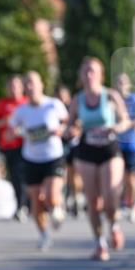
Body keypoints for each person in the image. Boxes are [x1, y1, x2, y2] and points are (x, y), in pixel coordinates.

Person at [69, 57, 129, 261]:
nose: (88, 75)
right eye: (85, 71)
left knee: (110, 196)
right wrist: (72, 129)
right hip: (87, 150)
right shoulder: (77, 100)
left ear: (100, 75)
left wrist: (116, 127)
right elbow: (70, 126)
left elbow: (125, 121)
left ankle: (114, 224)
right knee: (93, 201)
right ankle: (99, 243)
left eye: (92, 71)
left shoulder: (110, 96)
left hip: (109, 149)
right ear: (81, 76)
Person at [8, 71, 68, 251]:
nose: (30, 87)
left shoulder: (53, 104)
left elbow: (68, 121)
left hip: (53, 156)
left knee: (50, 195)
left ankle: (57, 207)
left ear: (42, 85)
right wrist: (16, 133)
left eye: (33, 83)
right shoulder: (21, 111)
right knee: (36, 202)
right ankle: (44, 235)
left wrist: (60, 130)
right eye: (27, 84)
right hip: (31, 158)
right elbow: (9, 131)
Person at [0, 75, 28, 221]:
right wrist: (4, 122)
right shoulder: (2, 104)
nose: (13, 89)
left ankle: (25, 205)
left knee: (23, 175)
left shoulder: (26, 103)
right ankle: (21, 205)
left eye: (16, 86)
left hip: (25, 146)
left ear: (22, 87)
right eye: (11, 86)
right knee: (14, 177)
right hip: (7, 147)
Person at [115, 73, 135, 223]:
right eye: (119, 82)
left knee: (133, 177)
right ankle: (125, 204)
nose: (121, 85)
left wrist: (131, 123)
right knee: (121, 178)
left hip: (133, 144)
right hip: (117, 144)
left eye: (124, 82)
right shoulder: (114, 100)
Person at [56, 84, 85, 217]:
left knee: (75, 173)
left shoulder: (73, 108)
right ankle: (62, 200)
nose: (62, 98)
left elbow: (80, 123)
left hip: (74, 144)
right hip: (59, 145)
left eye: (64, 96)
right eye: (60, 96)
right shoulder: (54, 108)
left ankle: (77, 198)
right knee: (62, 174)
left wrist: (75, 130)